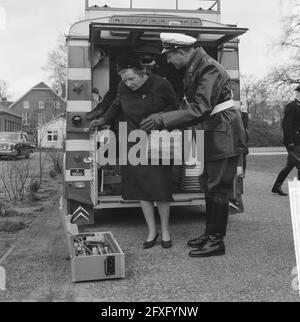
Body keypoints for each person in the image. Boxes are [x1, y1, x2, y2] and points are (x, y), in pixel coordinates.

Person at [140, 33, 246, 258]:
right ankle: (210, 234)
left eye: (169, 56)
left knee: (217, 188)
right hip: (213, 132)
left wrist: (162, 119)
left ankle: (217, 242)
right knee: (209, 185)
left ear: (180, 51)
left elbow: (201, 108)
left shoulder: (209, 68)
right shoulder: (197, 66)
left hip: (223, 134)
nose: (168, 61)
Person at [89, 54, 178, 249]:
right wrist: (104, 119)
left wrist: (159, 116)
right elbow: (116, 104)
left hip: (158, 139)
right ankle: (151, 231)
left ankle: (165, 231)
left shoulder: (162, 84)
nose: (128, 83)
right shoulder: (123, 87)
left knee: (161, 188)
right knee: (141, 188)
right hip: (133, 140)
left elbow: (175, 106)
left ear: (143, 73)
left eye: (131, 79)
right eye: (124, 80)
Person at [271, 85, 300, 196]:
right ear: (297, 93)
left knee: (290, 166)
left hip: (298, 141)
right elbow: (286, 125)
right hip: (293, 142)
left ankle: (276, 186)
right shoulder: (292, 106)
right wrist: (289, 142)